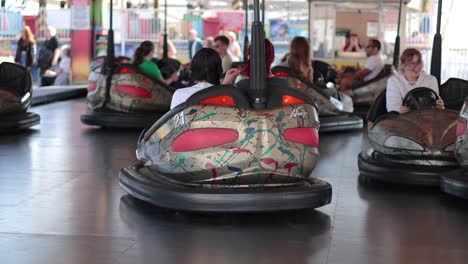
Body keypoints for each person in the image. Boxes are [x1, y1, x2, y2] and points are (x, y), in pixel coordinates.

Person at [170, 48, 240, 109]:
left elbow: (173, 122)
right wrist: (225, 87)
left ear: (193, 69)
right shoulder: (228, 95)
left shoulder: (179, 94)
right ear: (218, 70)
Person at [386, 48, 444, 113]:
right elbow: (392, 106)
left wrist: (439, 106)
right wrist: (399, 109)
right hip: (404, 119)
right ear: (403, 65)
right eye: (413, 63)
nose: (417, 66)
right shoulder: (394, 81)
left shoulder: (431, 80)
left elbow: (436, 102)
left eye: (419, 62)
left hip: (427, 117)